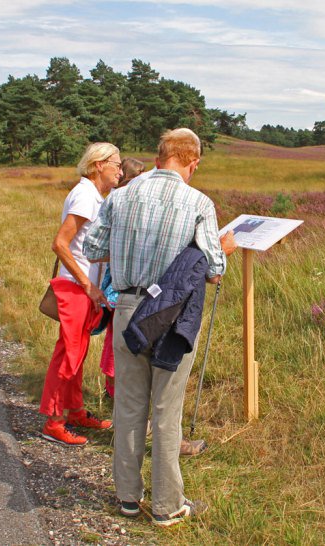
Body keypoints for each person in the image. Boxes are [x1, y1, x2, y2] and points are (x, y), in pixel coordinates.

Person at [84, 128, 236, 526]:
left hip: (128, 306)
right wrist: (221, 249)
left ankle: (127, 498)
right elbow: (215, 267)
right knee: (168, 410)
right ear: (193, 162)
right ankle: (168, 505)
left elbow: (92, 248)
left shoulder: (121, 195)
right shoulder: (198, 202)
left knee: (129, 404)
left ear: (158, 157)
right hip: (171, 313)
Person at [39, 142, 122, 446]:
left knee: (78, 352)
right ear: (99, 164)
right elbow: (60, 243)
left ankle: (74, 411)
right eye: (116, 164)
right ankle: (54, 420)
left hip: (84, 291)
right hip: (76, 290)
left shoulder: (93, 196)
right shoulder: (85, 196)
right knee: (68, 355)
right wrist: (88, 285)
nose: (120, 170)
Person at [99, 157, 145, 399]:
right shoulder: (121, 203)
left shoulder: (122, 202)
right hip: (120, 288)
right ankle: (114, 391)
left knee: (119, 340)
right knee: (118, 342)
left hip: (119, 287)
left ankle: (115, 391)